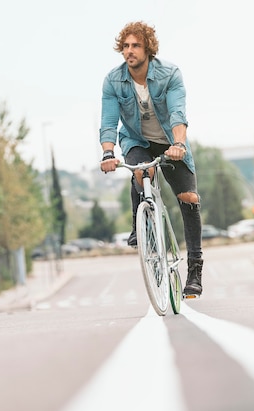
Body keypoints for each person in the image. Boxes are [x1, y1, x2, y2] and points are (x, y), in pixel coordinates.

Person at [98, 21, 203, 297]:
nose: (129, 51)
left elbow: (178, 114)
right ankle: (140, 224)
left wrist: (179, 143)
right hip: (136, 140)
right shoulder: (113, 80)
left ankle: (195, 269)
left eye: (136, 46)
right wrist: (108, 152)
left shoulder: (169, 74)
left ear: (148, 49)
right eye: (126, 46)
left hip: (170, 143)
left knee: (189, 199)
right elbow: (108, 121)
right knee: (141, 171)